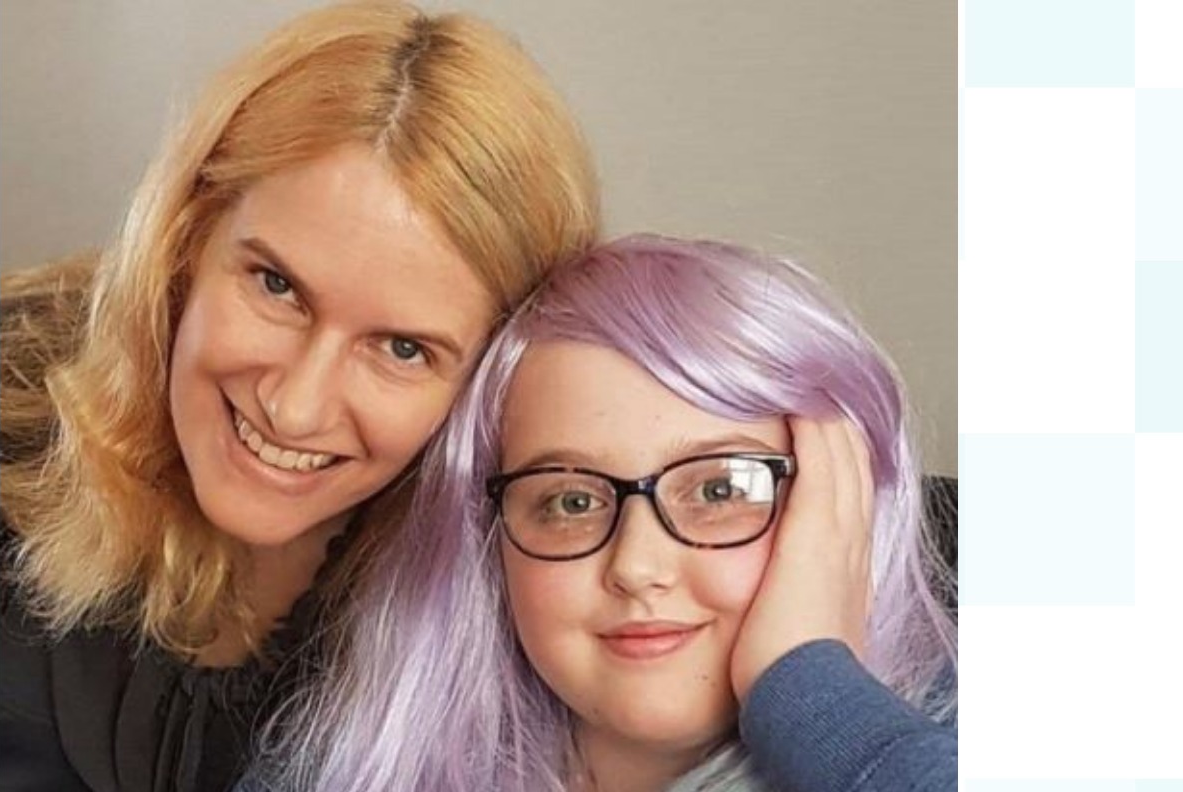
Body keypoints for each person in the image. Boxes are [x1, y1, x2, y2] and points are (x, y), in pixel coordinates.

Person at [0, 2, 599, 790]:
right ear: (188, 237)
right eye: (276, 286)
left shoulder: (521, 599)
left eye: (403, 349)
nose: (296, 408)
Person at [254, 235, 957, 792]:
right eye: (571, 500)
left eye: (719, 491)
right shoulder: (355, 761)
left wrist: (809, 689)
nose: (637, 566)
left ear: (842, 502)